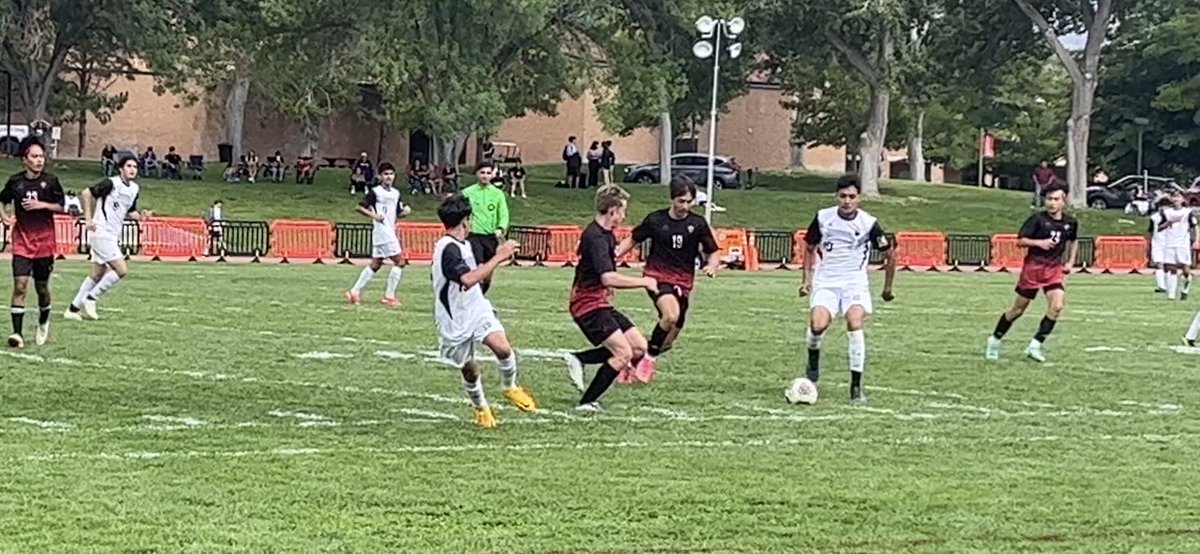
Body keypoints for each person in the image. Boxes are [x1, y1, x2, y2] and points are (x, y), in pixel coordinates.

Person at [431, 195, 536, 428]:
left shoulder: (467, 245)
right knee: (469, 368)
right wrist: (499, 256)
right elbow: (467, 280)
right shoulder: (447, 248)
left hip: (476, 307)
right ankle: (481, 407)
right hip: (454, 317)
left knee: (502, 347)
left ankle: (510, 387)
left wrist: (493, 264)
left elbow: (479, 281)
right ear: (465, 221)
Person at [798, 174, 896, 403]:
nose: (847, 201)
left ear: (859, 198)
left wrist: (888, 288)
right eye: (843, 196)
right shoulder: (823, 218)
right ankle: (813, 360)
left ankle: (856, 386)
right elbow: (809, 248)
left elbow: (890, 254)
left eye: (852, 196)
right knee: (817, 325)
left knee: (854, 322)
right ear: (836, 197)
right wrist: (806, 280)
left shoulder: (868, 223)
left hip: (854, 283)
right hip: (827, 281)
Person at [611, 175, 719, 383]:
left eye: (689, 202)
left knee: (667, 342)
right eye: (681, 201)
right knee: (670, 316)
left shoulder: (697, 224)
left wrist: (712, 265)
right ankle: (649, 359)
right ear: (672, 199)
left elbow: (712, 251)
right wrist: (612, 258)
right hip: (657, 276)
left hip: (683, 282)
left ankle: (635, 357)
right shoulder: (656, 220)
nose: (685, 206)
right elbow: (632, 240)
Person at [563, 186, 657, 409]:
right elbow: (608, 278)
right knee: (623, 353)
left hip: (599, 302)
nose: (624, 215)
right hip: (587, 304)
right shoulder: (595, 237)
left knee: (639, 347)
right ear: (613, 210)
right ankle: (587, 402)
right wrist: (644, 281)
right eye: (623, 210)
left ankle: (580, 358)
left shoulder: (607, 235)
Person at [986, 184, 1077, 363]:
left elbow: (1073, 241)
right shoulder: (1037, 220)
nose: (1052, 203)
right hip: (1033, 269)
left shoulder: (1070, 222)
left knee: (1057, 306)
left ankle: (1035, 345)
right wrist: (1039, 243)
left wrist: (1070, 261)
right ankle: (995, 339)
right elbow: (1020, 241)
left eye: (1056, 199)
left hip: (1054, 269)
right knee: (1018, 310)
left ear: (1064, 201)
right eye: (1049, 199)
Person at [64, 155, 152, 322]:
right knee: (121, 269)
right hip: (101, 231)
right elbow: (87, 193)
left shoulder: (134, 189)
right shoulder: (111, 183)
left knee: (97, 274)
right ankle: (91, 298)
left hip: (112, 234)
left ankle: (72, 309)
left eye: (135, 167)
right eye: (129, 166)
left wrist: (142, 216)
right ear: (121, 169)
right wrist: (88, 219)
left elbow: (131, 211)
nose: (132, 169)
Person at [0, 136, 65, 347]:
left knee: (42, 288)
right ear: (24, 159)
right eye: (35, 156)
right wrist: (5, 216)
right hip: (22, 241)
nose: (39, 160)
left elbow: (62, 207)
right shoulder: (15, 182)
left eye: (41, 156)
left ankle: (43, 320)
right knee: (20, 285)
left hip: (44, 243)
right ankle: (17, 334)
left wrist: (42, 205)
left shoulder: (51, 181)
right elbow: (3, 200)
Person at [345, 163, 410, 308]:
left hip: (388, 230)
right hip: (383, 231)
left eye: (391, 174)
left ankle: (354, 291)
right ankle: (389, 296)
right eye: (385, 174)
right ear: (380, 176)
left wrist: (404, 212)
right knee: (400, 261)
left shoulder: (396, 193)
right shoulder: (375, 192)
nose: (388, 177)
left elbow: (396, 213)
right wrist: (374, 216)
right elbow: (359, 207)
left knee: (376, 264)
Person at [461, 162, 509, 295]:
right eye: (482, 173)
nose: (485, 176)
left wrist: (501, 228)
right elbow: (461, 212)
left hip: (490, 236)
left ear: (492, 175)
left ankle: (482, 293)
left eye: (488, 173)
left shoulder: (498, 193)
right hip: (473, 234)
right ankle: (475, 296)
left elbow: (503, 214)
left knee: (488, 271)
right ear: (476, 174)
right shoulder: (467, 192)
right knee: (479, 265)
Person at [1157, 189, 1196, 300]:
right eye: (1174, 197)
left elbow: (1193, 227)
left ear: (1182, 199)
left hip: (1183, 243)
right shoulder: (1166, 212)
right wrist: (1168, 223)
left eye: (1178, 197)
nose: (1176, 199)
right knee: (1171, 267)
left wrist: (1194, 241)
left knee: (1185, 269)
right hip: (1170, 242)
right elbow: (1159, 228)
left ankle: (1186, 285)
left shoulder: (1188, 212)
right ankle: (1171, 294)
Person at [1148, 197, 1170, 293]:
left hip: (1170, 243)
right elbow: (1151, 231)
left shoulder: (1173, 217)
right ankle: (1161, 286)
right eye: (1162, 206)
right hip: (1157, 243)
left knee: (1168, 264)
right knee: (1159, 263)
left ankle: (1169, 284)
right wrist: (1150, 242)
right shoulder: (1154, 218)